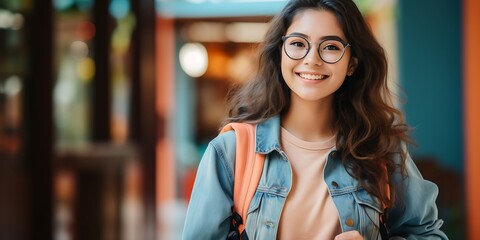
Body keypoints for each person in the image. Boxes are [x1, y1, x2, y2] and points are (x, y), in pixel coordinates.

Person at [182, 0, 448, 239]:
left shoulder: (381, 149)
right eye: (298, 43)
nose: (312, 60)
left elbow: (428, 234)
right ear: (280, 52)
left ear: (352, 62)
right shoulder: (230, 152)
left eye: (330, 47)